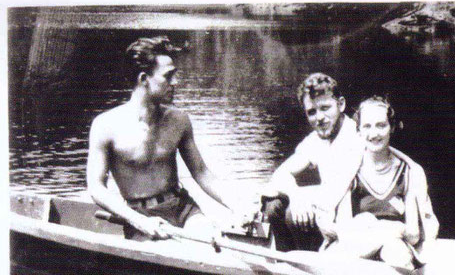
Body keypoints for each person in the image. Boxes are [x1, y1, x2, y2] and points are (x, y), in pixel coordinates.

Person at [87, 36, 247, 241]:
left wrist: (237, 205)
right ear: (144, 79)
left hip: (183, 209)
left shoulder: (179, 120)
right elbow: (96, 188)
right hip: (141, 216)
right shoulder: (105, 126)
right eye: (168, 76)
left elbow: (202, 173)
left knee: (214, 245)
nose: (176, 83)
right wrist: (138, 221)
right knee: (173, 257)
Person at [317, 96, 439, 270]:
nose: (374, 134)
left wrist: (377, 228)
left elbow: (413, 234)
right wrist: (390, 229)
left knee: (395, 252)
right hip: (356, 250)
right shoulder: (349, 172)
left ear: (392, 128)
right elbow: (345, 233)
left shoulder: (409, 173)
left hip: (396, 248)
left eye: (381, 125)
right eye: (367, 126)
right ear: (358, 131)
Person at [261, 73, 363, 251]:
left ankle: (306, 265)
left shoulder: (357, 135)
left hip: (357, 216)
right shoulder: (316, 140)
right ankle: (287, 264)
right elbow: (279, 175)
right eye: (312, 112)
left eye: (325, 108)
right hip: (329, 211)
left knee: (294, 214)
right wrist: (296, 196)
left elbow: (335, 192)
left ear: (341, 105)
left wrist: (303, 201)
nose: (319, 118)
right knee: (274, 206)